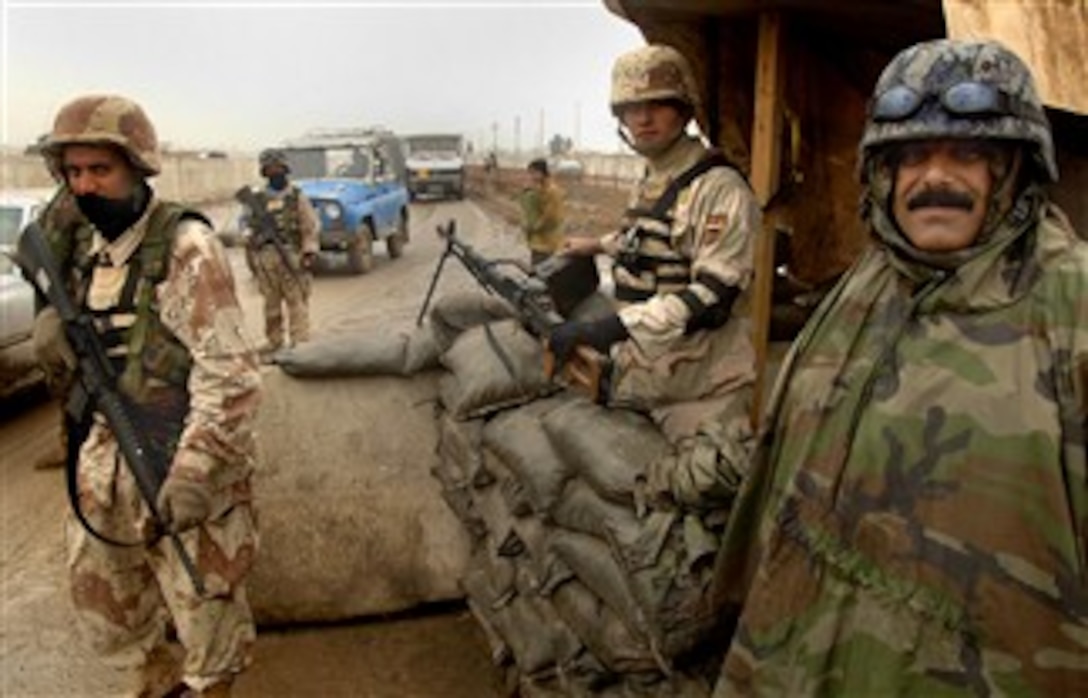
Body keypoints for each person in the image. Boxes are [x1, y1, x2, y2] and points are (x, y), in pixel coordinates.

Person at [711, 39, 1088, 695]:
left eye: (968, 154)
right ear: (882, 175)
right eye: (911, 155)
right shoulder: (863, 290)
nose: (934, 177)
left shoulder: (1072, 309)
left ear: (1016, 172)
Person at [31, 93, 261, 697]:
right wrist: (51, 323)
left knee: (209, 625)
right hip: (108, 460)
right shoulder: (82, 246)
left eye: (100, 170)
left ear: (139, 169)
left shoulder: (186, 248)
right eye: (73, 172)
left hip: (177, 456)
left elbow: (230, 377)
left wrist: (193, 473)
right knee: (112, 613)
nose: (84, 187)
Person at [550, 44, 761, 422]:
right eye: (631, 108)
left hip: (700, 379)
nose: (643, 118)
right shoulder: (653, 176)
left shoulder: (718, 187)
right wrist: (597, 245)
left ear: (683, 111)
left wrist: (611, 328)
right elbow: (646, 239)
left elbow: (714, 296)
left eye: (658, 105)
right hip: (650, 362)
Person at [242, 148, 319, 361]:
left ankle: (300, 344)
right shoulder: (256, 199)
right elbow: (245, 225)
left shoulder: (296, 197)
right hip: (266, 259)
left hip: (291, 255)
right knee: (271, 304)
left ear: (285, 169)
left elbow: (309, 226)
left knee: (297, 302)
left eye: (278, 168)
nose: (274, 172)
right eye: (270, 169)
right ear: (264, 172)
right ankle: (274, 342)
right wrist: (250, 236)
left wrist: (308, 251)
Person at [519, 158, 566, 265]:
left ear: (541, 172)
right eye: (529, 173)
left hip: (547, 244)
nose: (530, 176)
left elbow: (550, 218)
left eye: (533, 173)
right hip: (539, 242)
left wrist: (533, 227)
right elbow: (530, 209)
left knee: (541, 274)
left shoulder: (552, 191)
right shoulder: (540, 189)